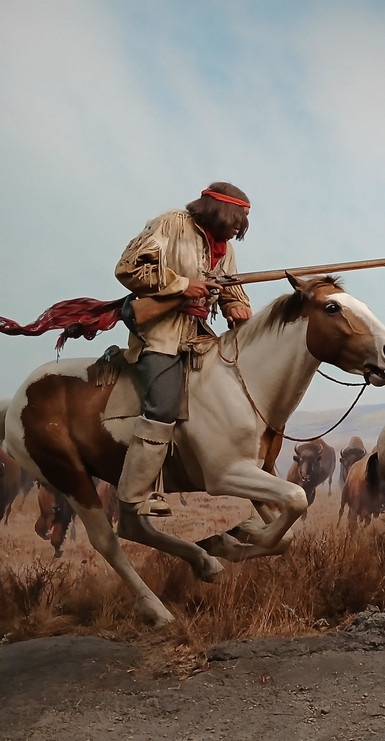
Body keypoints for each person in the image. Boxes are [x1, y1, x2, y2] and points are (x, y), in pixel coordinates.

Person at [114, 182, 254, 517]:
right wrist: (182, 285)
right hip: (160, 333)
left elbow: (229, 287)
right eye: (238, 219)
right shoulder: (172, 223)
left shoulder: (226, 249)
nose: (240, 228)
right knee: (162, 405)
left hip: (200, 335)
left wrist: (236, 305)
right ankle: (136, 493)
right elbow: (129, 268)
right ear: (220, 210)